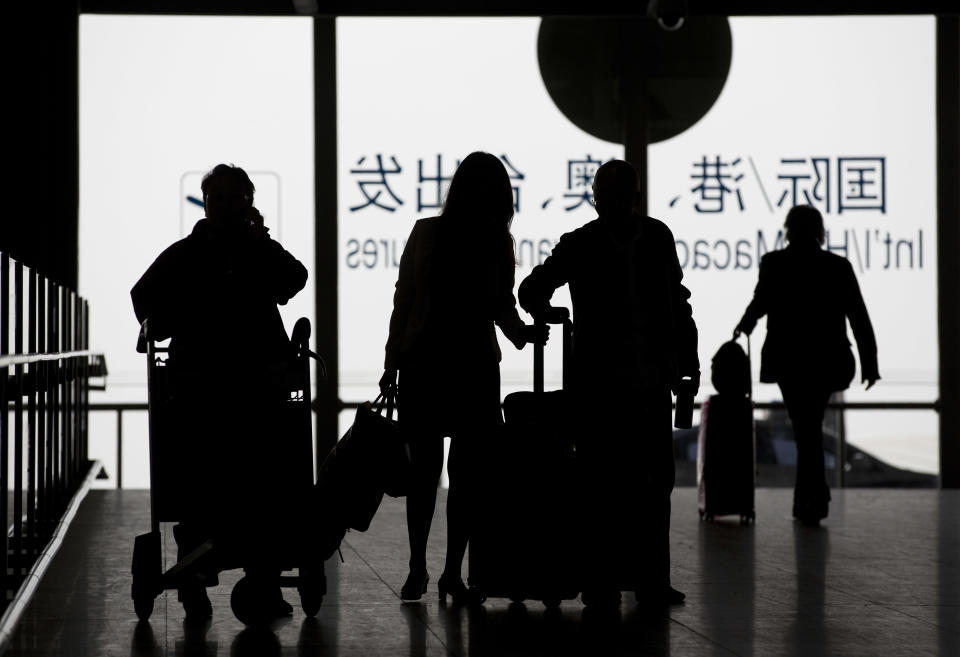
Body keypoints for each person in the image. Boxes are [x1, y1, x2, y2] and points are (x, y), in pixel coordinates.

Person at [518, 159, 699, 608]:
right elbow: (679, 305)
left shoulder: (582, 243)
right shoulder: (656, 238)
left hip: (600, 386)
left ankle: (605, 582)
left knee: (604, 486)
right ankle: (648, 580)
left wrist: (551, 316)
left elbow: (530, 290)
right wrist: (687, 364)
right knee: (649, 487)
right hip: (643, 382)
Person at [131, 163, 308, 620]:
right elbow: (145, 298)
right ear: (205, 203)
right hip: (209, 393)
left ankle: (249, 579)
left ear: (249, 203)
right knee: (219, 486)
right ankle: (206, 578)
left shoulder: (255, 250)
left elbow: (295, 278)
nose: (225, 206)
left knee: (257, 489)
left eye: (235, 198)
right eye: (217, 198)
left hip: (246, 391)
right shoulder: (185, 254)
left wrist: (259, 239)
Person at [379, 151, 546, 604]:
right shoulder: (496, 240)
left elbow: (404, 300)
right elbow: (500, 304)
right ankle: (451, 572)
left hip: (424, 364)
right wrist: (523, 335)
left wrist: (391, 362)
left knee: (425, 474)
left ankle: (419, 567)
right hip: (473, 367)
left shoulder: (427, 233)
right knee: (466, 477)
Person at [735, 204, 879, 525]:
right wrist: (870, 362)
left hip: (788, 361)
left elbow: (761, 301)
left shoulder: (774, 263)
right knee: (809, 428)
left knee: (805, 429)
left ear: (788, 229)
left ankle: (810, 499)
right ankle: (813, 498)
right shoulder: (837, 266)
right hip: (828, 362)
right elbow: (858, 316)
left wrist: (744, 326)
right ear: (819, 230)